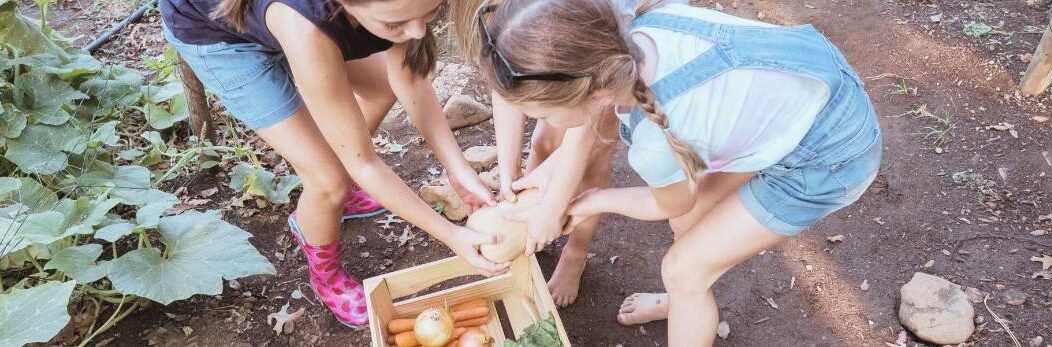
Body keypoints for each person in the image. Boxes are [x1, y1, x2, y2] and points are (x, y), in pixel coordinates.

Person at [457, 0, 883, 345]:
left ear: (592, 93)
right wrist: (551, 187)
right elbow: (586, 127)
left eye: (537, 112)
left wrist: (590, 202)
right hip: (801, 87)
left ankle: (685, 293)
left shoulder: (656, 140)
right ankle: (682, 302)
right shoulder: (617, 30)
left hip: (827, 154)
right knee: (691, 227)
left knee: (684, 268)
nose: (533, 118)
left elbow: (673, 201)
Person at [159, 0, 510, 327]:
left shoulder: (402, 11)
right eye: (396, 23)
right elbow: (366, 164)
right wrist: (450, 234)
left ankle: (333, 194)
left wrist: (457, 168)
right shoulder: (307, 28)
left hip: (298, 21)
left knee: (380, 91)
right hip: (218, 31)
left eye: (432, 13)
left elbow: (410, 79)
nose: (418, 31)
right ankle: (326, 275)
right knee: (329, 181)